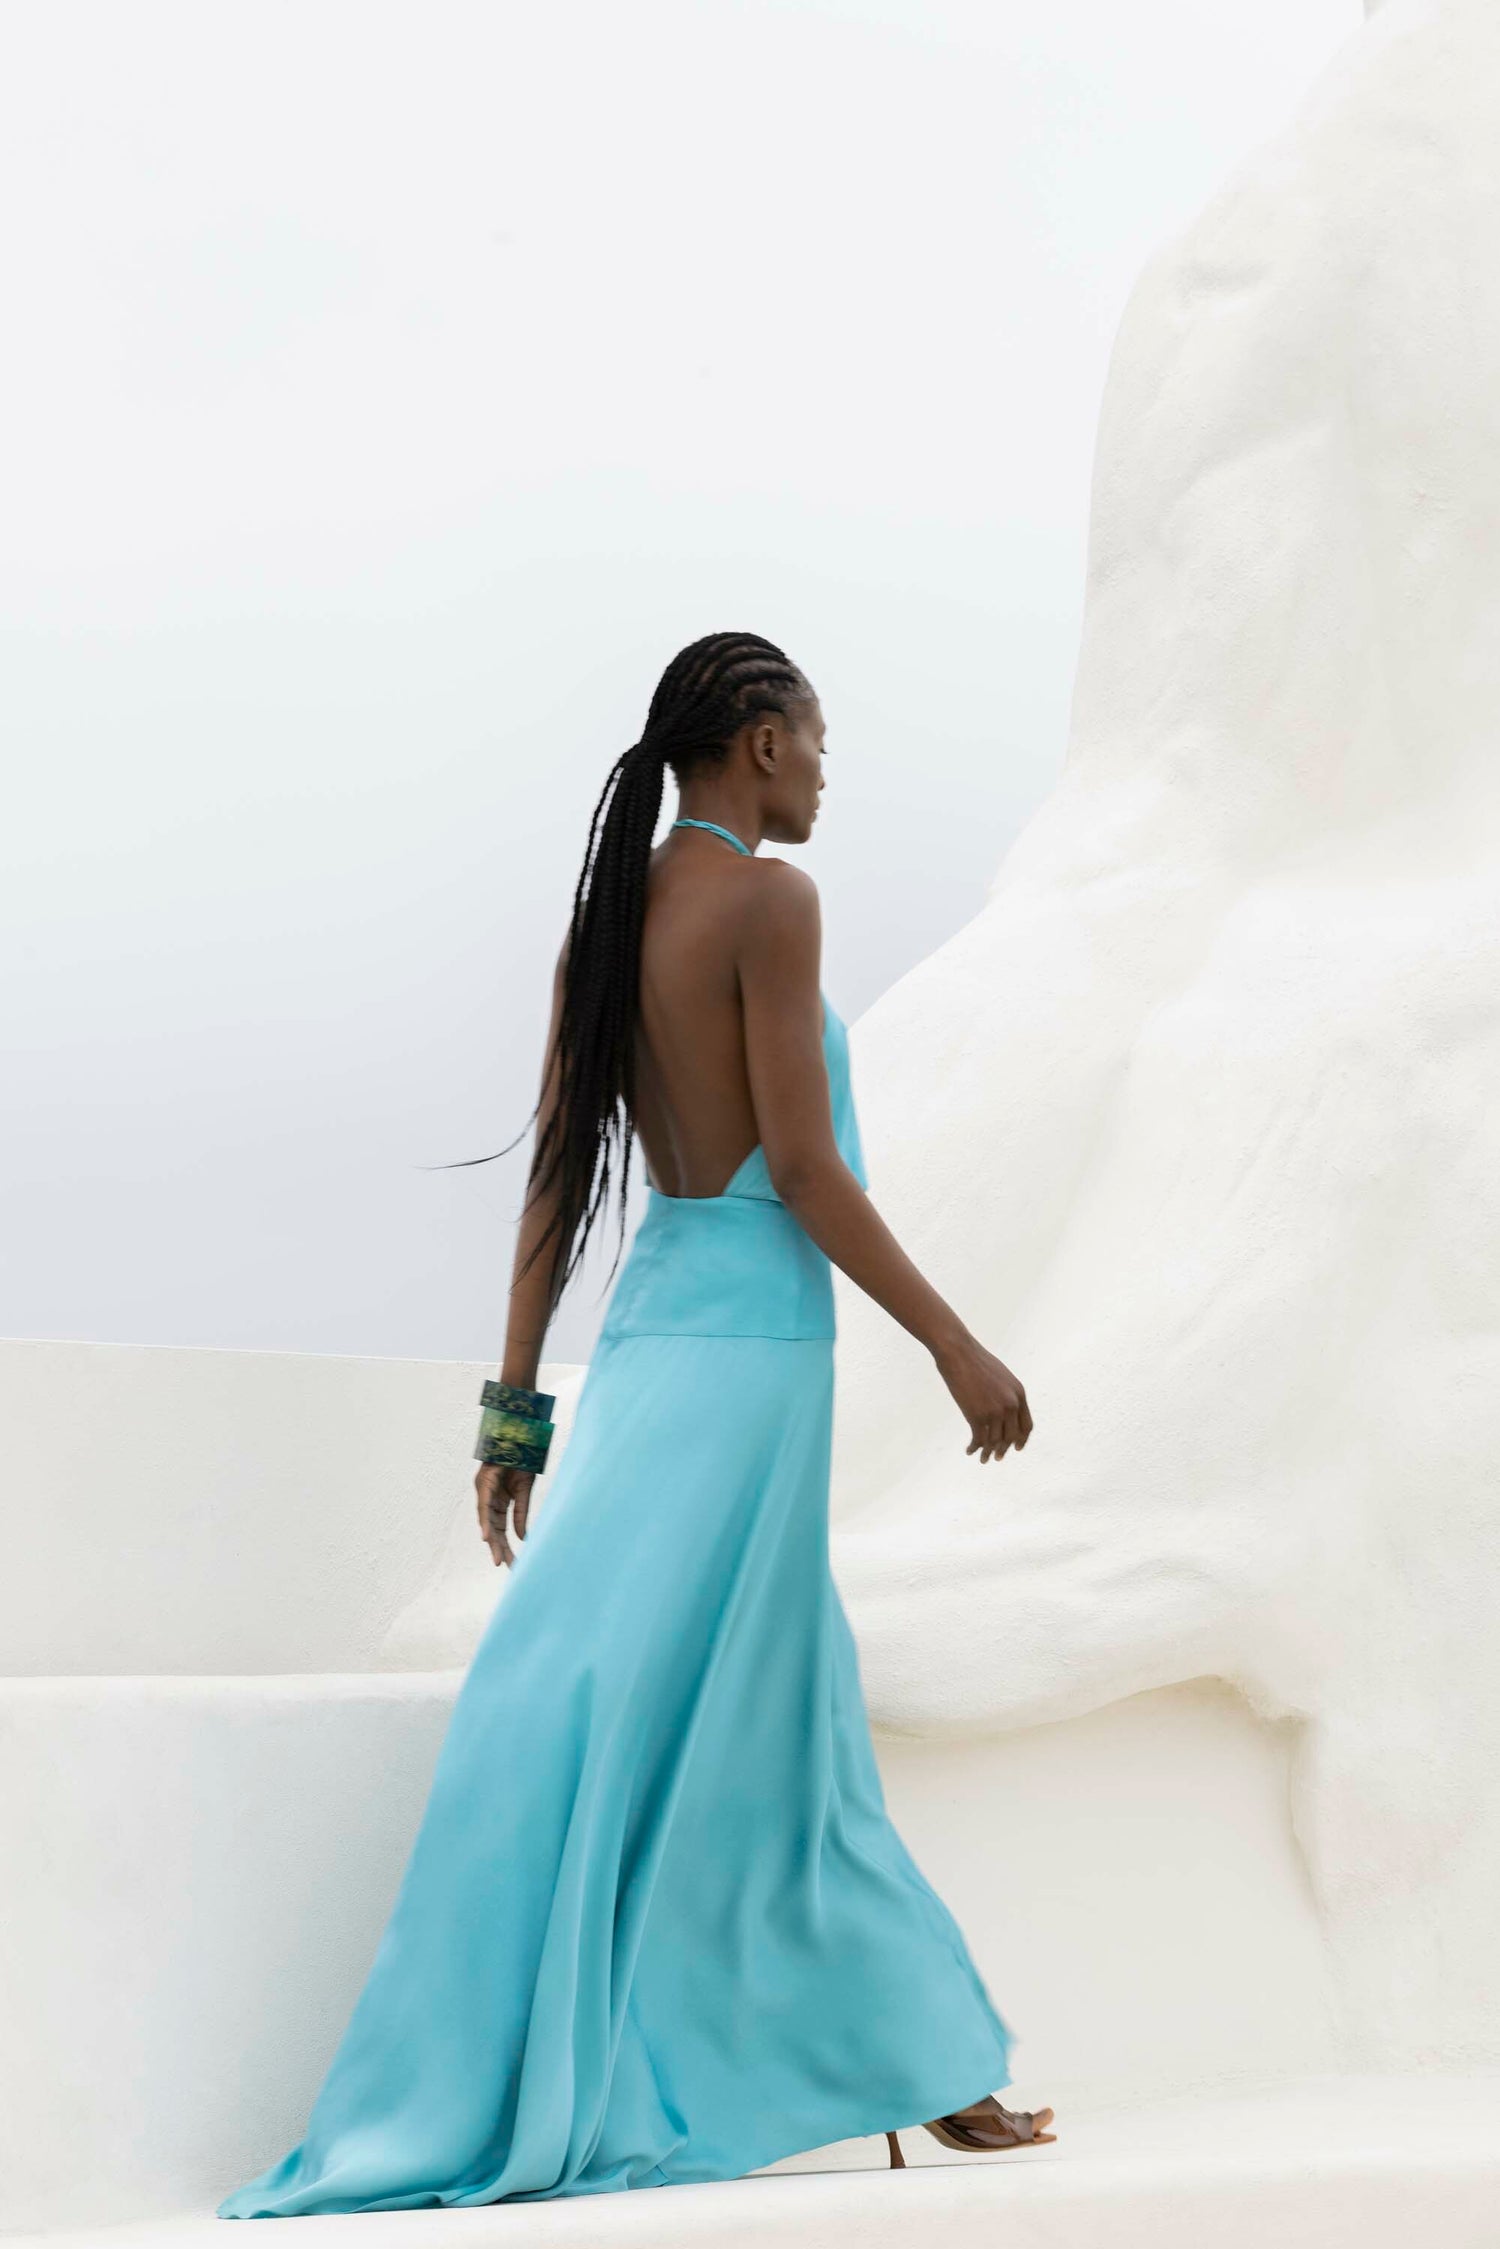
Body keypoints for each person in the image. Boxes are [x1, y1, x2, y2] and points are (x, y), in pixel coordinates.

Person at [217, 630, 1054, 2216]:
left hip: (657, 1332)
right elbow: (804, 1172)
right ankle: (901, 2066)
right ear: (753, 739)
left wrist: (518, 1411)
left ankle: (923, 2064)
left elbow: (555, 1178)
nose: (824, 771)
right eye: (814, 738)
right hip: (750, 1356)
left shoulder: (610, 920)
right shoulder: (769, 902)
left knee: (701, 1700)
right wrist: (957, 1346)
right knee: (737, 1718)